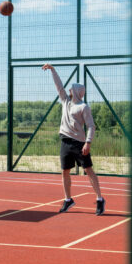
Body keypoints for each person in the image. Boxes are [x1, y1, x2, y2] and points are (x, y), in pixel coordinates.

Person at [42, 63, 105, 216]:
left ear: (77, 91)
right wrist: (53, 70)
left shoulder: (84, 107)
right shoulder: (65, 102)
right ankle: (68, 199)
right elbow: (59, 86)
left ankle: (99, 199)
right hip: (65, 141)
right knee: (64, 171)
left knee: (88, 170)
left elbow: (91, 126)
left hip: (79, 144)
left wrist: (88, 142)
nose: (68, 90)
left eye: (71, 88)